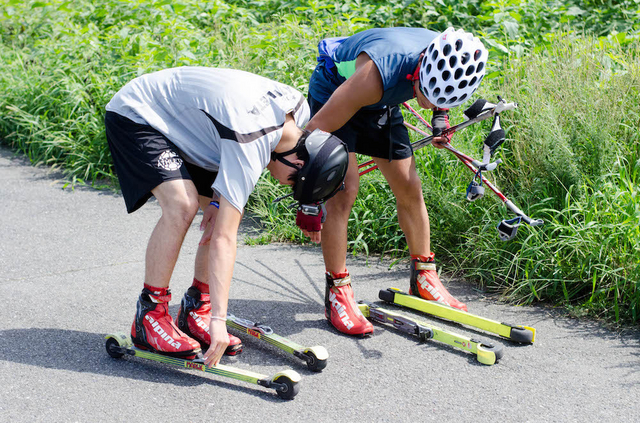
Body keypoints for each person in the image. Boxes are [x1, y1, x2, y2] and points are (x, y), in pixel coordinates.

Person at [104, 67, 348, 366]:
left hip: (197, 126)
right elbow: (224, 239)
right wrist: (220, 320)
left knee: (223, 212)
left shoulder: (298, 113)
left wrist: (221, 201)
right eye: (293, 182)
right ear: (298, 161)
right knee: (183, 206)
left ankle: (196, 309)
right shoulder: (251, 137)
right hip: (140, 113)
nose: (284, 183)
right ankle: (150, 316)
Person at [301, 27, 488, 336]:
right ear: (421, 71)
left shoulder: (445, 56)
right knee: (343, 192)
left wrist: (440, 119)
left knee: (409, 187)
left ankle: (424, 277)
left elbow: (443, 89)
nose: (428, 104)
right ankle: (337, 291)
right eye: (428, 94)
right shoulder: (375, 75)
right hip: (338, 91)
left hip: (383, 101)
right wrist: (309, 195)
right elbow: (315, 132)